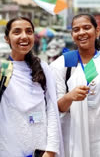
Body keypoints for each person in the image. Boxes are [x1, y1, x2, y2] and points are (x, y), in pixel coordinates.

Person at [50, 14, 100, 157]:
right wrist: (69, 97)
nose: (81, 32)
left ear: (97, 31)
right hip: (73, 136)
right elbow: (56, 108)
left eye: (87, 28)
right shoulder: (63, 63)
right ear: (72, 35)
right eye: (76, 29)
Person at [0, 17, 63, 157]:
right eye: (17, 32)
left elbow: (52, 110)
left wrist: (51, 150)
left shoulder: (43, 68)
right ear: (7, 38)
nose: (24, 36)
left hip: (40, 150)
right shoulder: (2, 69)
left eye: (29, 32)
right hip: (8, 149)